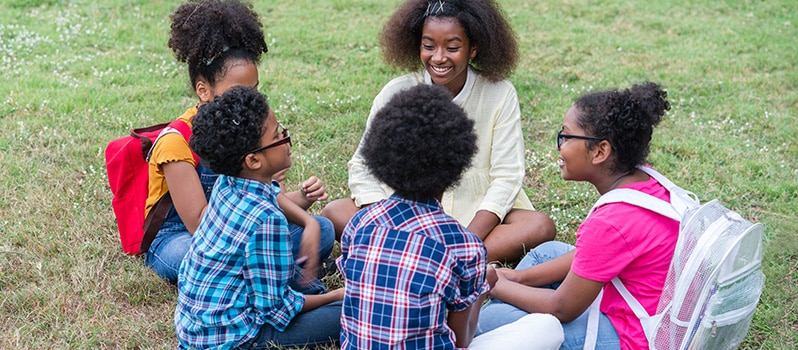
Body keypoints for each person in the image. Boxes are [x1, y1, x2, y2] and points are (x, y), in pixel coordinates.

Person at [322, 0, 555, 263]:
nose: (439, 57)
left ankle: (435, 258)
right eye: (429, 46)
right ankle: (439, 258)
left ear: (473, 49)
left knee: (539, 226)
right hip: (401, 216)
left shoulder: (499, 93)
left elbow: (507, 177)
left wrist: (467, 239)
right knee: (334, 212)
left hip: (475, 214)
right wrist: (387, 223)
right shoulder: (396, 91)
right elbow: (362, 166)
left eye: (452, 47)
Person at [144, 0, 333, 283]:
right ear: (203, 90)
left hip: (237, 229)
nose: (250, 100)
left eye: (254, 90)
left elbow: (262, 203)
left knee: (324, 229)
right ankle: (280, 272)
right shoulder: (175, 143)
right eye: (238, 91)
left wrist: (302, 200)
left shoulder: (246, 129)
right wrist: (261, 192)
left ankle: (263, 268)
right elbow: (201, 226)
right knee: (193, 254)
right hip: (183, 236)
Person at [476, 82, 675, 349]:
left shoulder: (610, 222)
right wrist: (517, 278)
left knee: (489, 322)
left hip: (635, 335)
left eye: (567, 137)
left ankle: (496, 313)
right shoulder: (648, 183)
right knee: (547, 252)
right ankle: (516, 296)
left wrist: (495, 284)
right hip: (651, 301)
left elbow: (562, 309)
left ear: (600, 151)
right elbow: (592, 253)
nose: (560, 146)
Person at [176, 86, 343, 349]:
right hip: (233, 338)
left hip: (199, 321)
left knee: (321, 232)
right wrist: (335, 295)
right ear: (254, 160)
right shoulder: (267, 221)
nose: (286, 139)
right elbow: (275, 309)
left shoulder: (228, 179)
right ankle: (316, 287)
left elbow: (269, 193)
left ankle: (304, 279)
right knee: (345, 313)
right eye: (278, 135)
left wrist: (309, 222)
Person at [337, 84, 487, 349]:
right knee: (544, 327)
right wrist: (484, 290)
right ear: (456, 163)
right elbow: (462, 339)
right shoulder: (465, 246)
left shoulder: (359, 224)